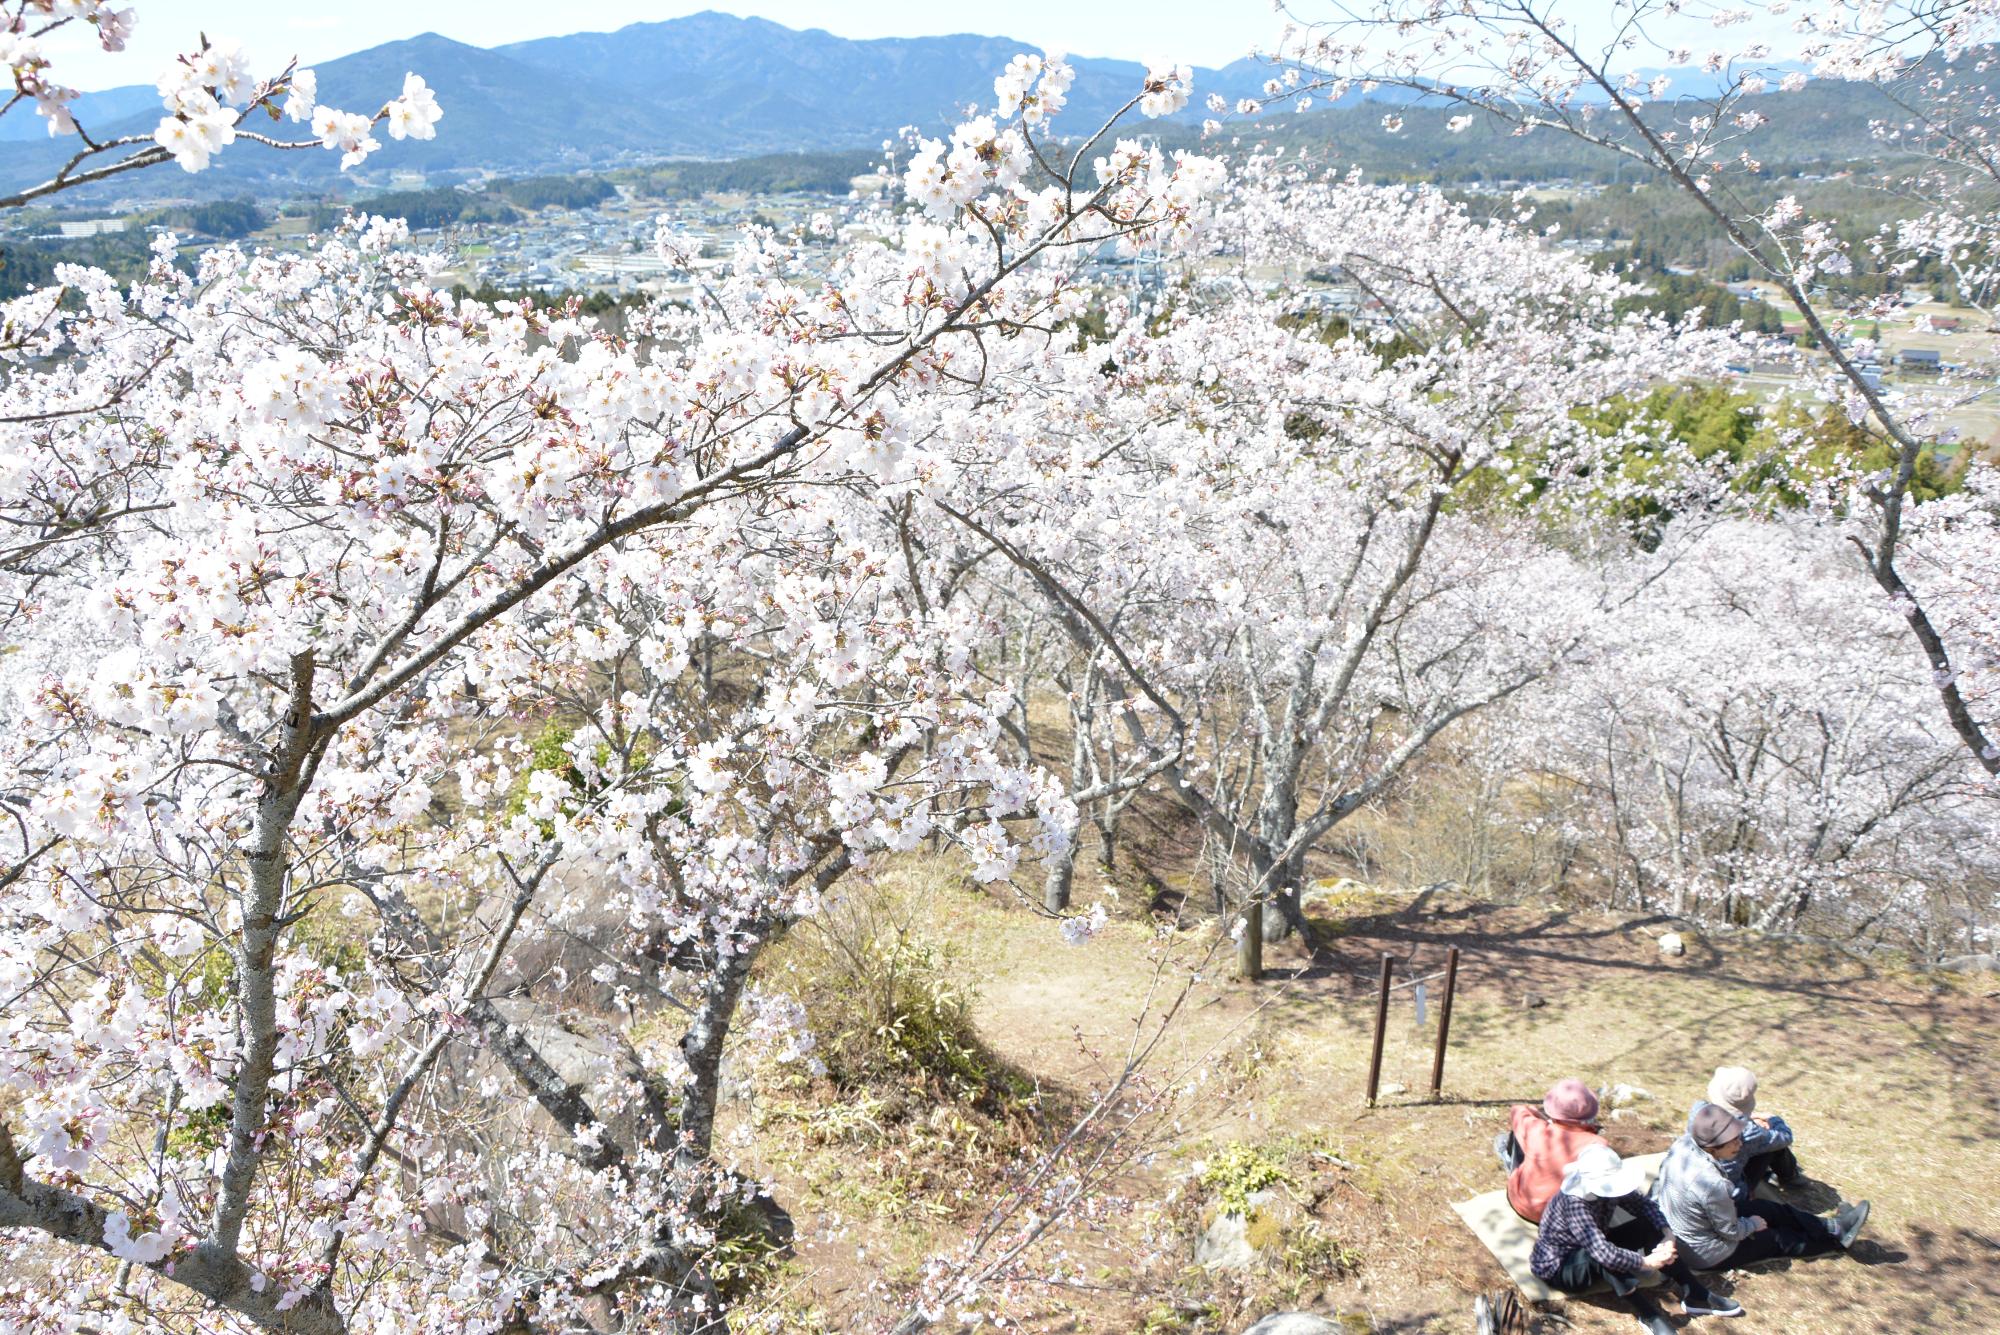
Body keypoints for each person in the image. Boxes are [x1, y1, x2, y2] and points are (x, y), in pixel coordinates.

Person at [1653, 1104, 1870, 1282]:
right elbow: (1729, 1231)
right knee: (1778, 1239)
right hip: (1708, 1253)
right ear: (1713, 1147)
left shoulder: (1684, 1144)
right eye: (1734, 1141)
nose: (1740, 1143)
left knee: (1769, 1209)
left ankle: (1833, 1227)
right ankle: (1837, 1241)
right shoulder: (1711, 1183)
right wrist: (1752, 1225)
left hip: (1694, 1228)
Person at [1528, 1143, 1739, 1322]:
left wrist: (1667, 1235)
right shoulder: (1575, 1203)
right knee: (1603, 1257)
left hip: (1592, 1245)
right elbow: (1602, 1252)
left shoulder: (1606, 1187)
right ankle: (1647, 1314)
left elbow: (1644, 1206)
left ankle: (1694, 1292)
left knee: (1647, 1227)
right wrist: (1647, 1262)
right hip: (1561, 1266)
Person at [1498, 1078, 1607, 1224]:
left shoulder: (1536, 1129)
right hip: (1562, 1219)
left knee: (1506, 1140)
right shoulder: (1598, 1145)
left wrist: (1536, 1114)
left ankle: (1517, 1174)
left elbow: (1517, 1110)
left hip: (1521, 1204)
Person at [1691, 1065, 1800, 1204]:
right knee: (1773, 1146)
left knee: (1764, 1142)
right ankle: (1790, 1177)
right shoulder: (1748, 1133)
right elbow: (1785, 1137)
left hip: (1698, 1179)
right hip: (1729, 1194)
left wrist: (1750, 1120)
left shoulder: (1699, 1109)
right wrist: (1772, 1119)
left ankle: (1787, 1176)